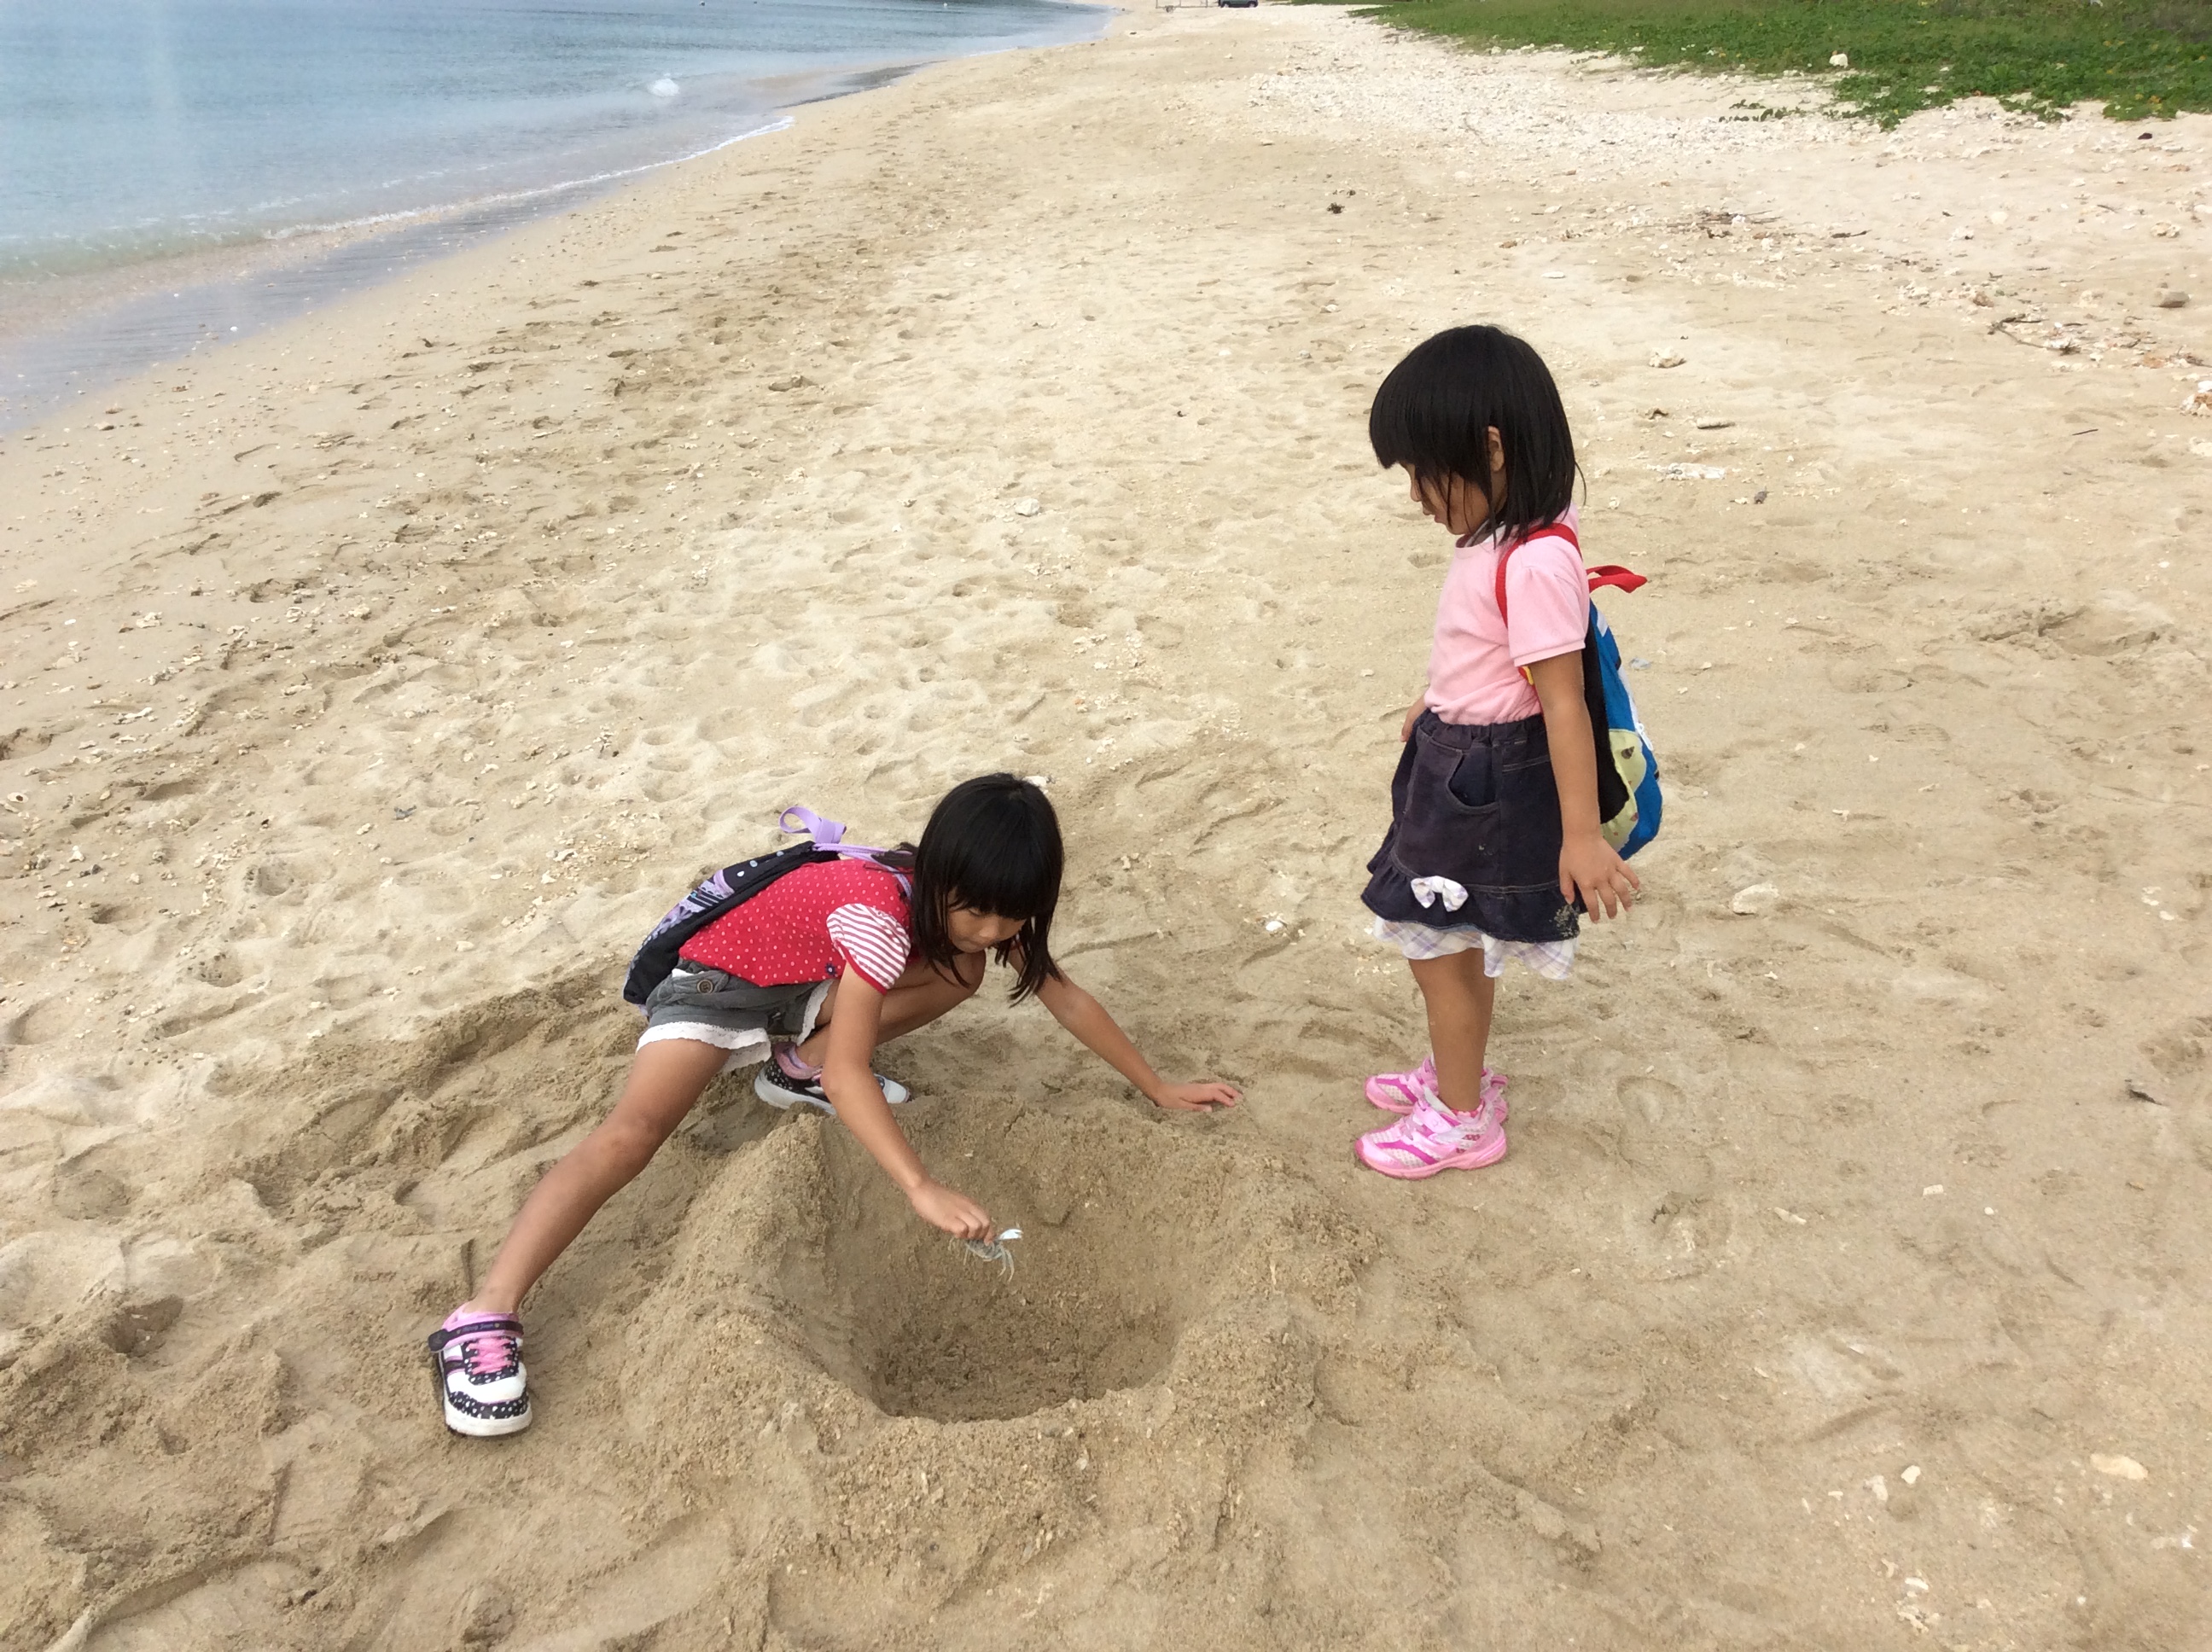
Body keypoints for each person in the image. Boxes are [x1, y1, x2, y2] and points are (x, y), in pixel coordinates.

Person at [429, 773, 1238, 1436]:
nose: (993, 929)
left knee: (961, 971)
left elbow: (1064, 996)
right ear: (942, 872)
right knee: (634, 1135)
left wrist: (1156, 1086)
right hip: (717, 984)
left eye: (1010, 914)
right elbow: (856, 1074)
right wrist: (919, 1185)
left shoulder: (972, 913)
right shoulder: (881, 916)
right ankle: (483, 1315)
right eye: (976, 909)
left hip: (802, 978)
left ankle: (792, 1068)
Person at [1353, 325, 1640, 1179]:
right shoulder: (1505, 534)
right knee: (1450, 937)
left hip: (1487, 781)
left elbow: (1561, 705)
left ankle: (1463, 1116)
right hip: (1457, 755)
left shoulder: (1536, 559)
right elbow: (1492, 654)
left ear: (1491, 449)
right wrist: (1435, 698)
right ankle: (1459, 1074)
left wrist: (1580, 836)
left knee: (1434, 944)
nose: (1417, 496)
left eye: (1424, 472)